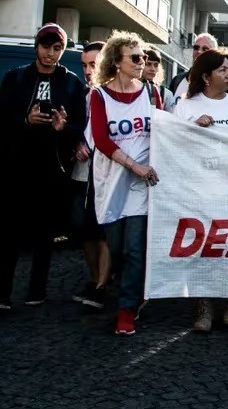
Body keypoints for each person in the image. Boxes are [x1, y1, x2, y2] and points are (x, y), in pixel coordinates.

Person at [0, 23, 87, 310]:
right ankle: (3, 294)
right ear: (37, 46)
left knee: (44, 233)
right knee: (9, 231)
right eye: (45, 47)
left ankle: (37, 290)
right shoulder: (15, 78)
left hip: (54, 167)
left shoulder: (73, 82)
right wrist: (25, 121)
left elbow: (83, 126)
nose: (50, 54)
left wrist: (64, 127)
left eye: (57, 48)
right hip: (17, 165)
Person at [173, 49, 228, 332]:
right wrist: (192, 128)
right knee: (204, 245)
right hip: (200, 186)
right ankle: (203, 304)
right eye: (222, 69)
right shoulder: (187, 106)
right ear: (206, 76)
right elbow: (172, 144)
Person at [89, 31, 162, 335]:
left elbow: (164, 128)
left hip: (142, 184)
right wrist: (132, 165)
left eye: (143, 56)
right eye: (134, 57)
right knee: (116, 247)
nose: (141, 61)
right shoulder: (99, 95)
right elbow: (102, 140)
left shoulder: (151, 92)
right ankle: (122, 288)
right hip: (113, 178)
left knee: (134, 248)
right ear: (116, 61)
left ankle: (126, 309)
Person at [70, 41, 111, 310]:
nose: (87, 70)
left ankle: (102, 286)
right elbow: (75, 127)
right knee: (84, 230)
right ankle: (95, 279)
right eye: (84, 65)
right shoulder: (82, 93)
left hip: (108, 173)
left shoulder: (115, 95)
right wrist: (74, 141)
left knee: (104, 231)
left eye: (93, 65)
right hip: (82, 174)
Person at [168, 33, 217, 100]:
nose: (199, 51)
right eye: (196, 48)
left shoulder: (219, 84)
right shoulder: (177, 80)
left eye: (205, 49)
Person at [143, 46, 176, 111]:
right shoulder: (129, 88)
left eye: (156, 65)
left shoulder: (165, 94)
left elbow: (171, 118)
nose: (152, 69)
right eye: (148, 64)